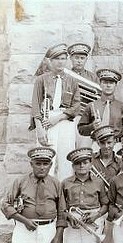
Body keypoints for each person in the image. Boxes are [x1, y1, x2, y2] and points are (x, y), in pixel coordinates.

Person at [30, 43, 81, 181]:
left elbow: (76, 106)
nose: (60, 62)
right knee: (46, 160)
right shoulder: (41, 80)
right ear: (51, 61)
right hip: (46, 120)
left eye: (63, 58)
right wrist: (39, 129)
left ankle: (64, 197)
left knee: (66, 161)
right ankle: (46, 197)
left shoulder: (73, 80)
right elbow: (35, 105)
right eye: (57, 58)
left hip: (64, 120)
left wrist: (58, 118)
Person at [90, 126, 122, 243]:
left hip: (111, 213)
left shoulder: (121, 163)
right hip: (94, 213)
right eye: (103, 143)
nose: (107, 146)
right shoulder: (90, 162)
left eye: (110, 142)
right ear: (97, 143)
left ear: (115, 143)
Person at [78, 68, 123, 150]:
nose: (108, 85)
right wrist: (92, 126)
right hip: (97, 144)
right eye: (105, 82)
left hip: (116, 145)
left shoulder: (122, 107)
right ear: (100, 84)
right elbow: (81, 129)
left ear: (116, 85)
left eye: (111, 83)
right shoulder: (91, 105)